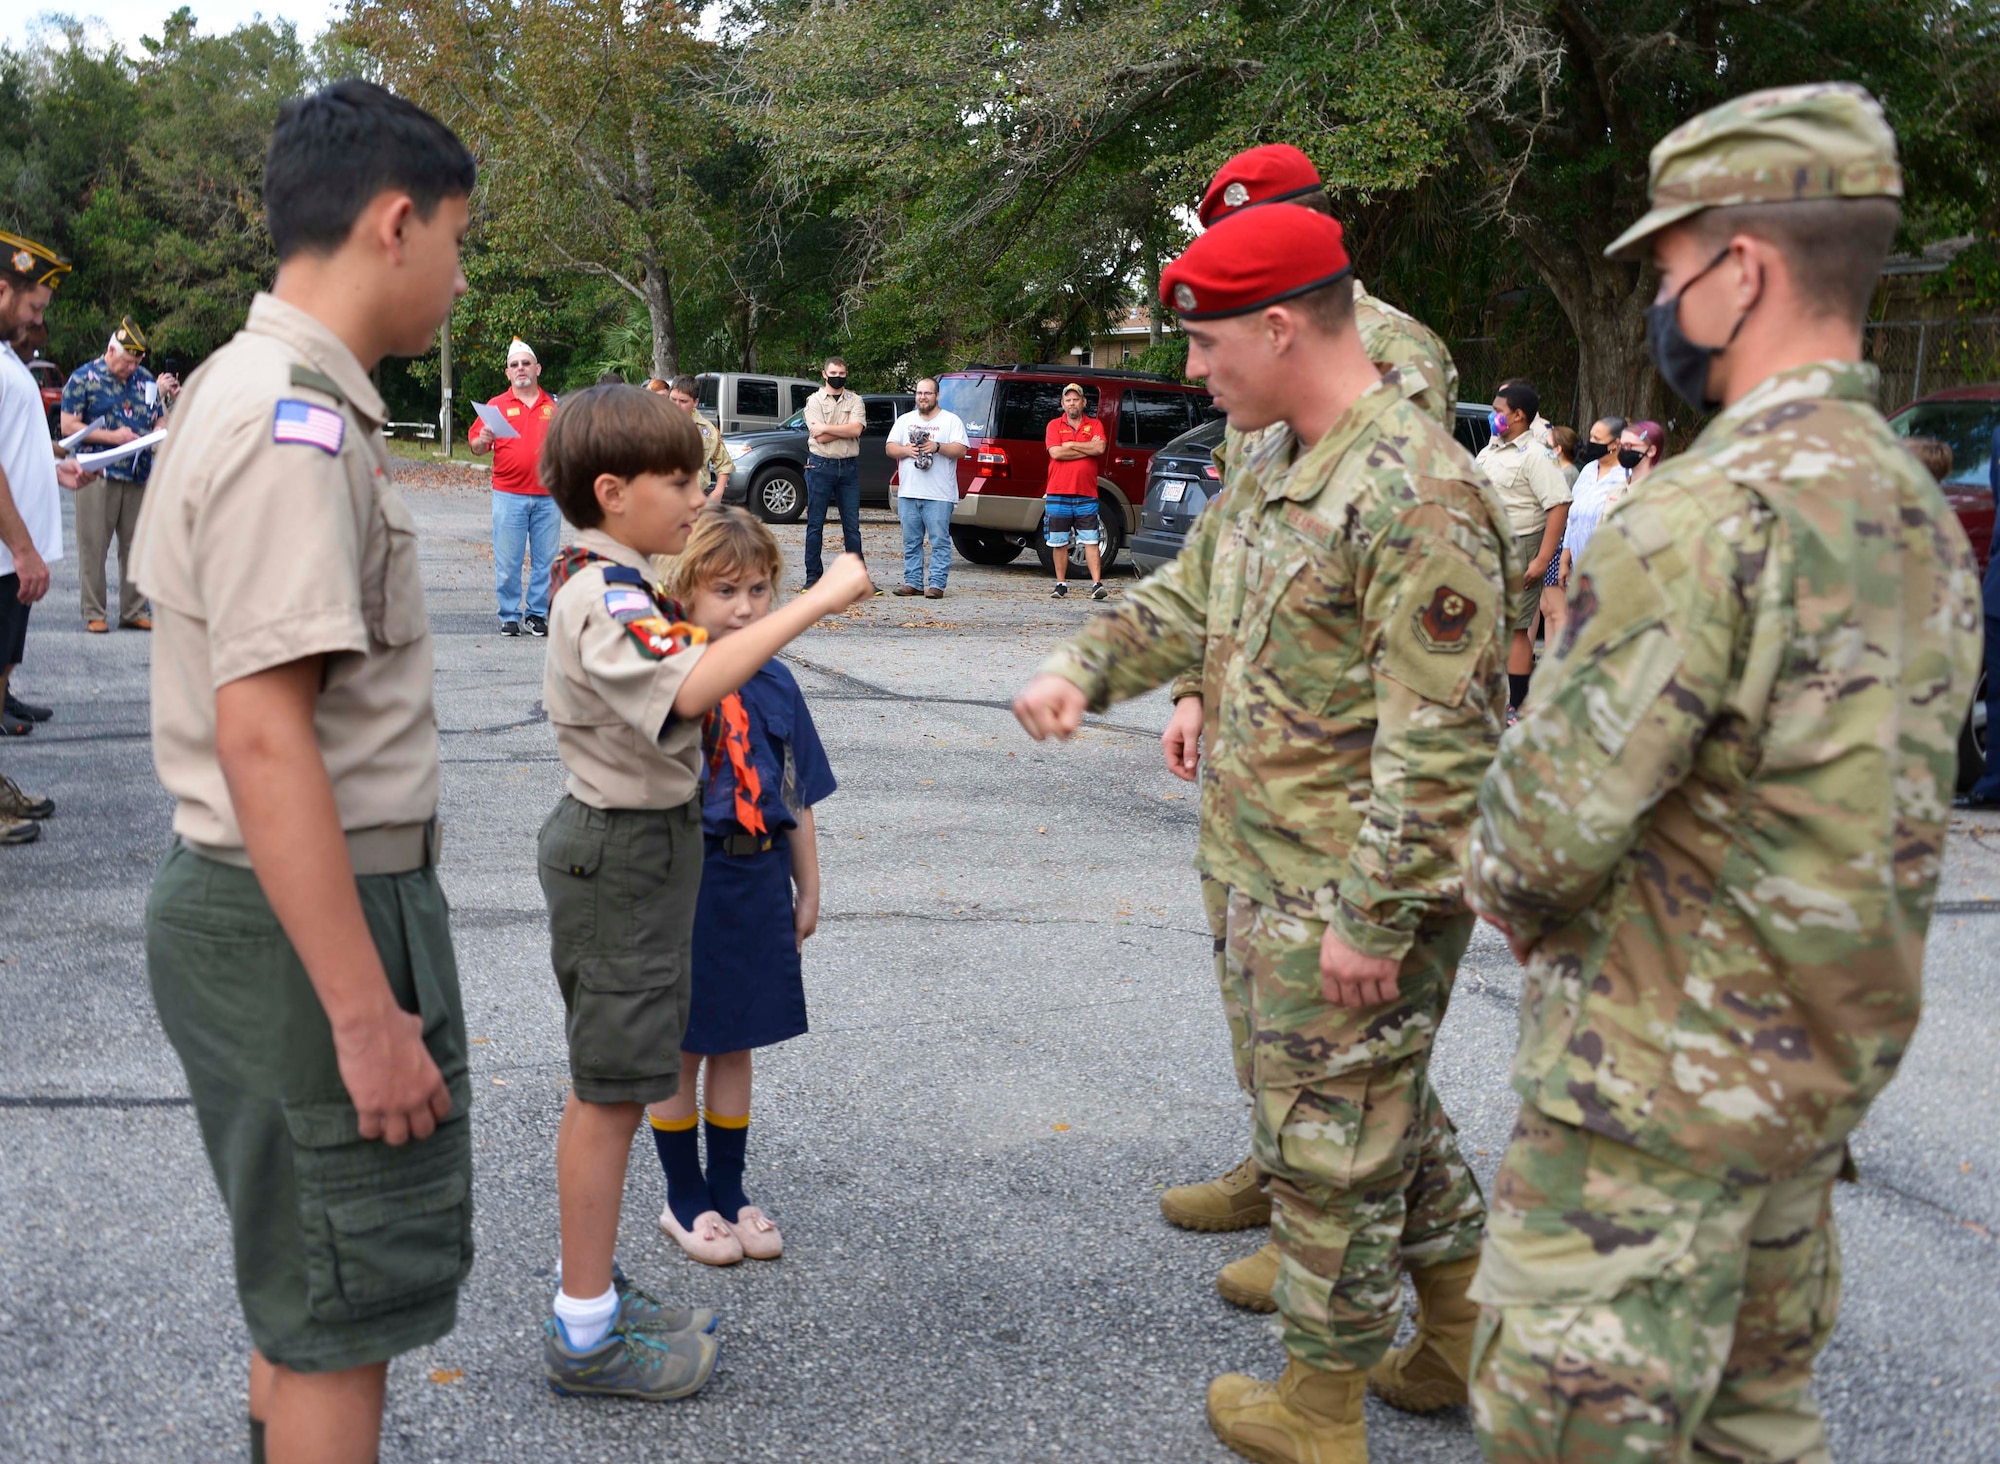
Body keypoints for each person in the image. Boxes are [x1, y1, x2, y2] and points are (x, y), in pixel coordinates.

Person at [1462, 82, 1982, 1464]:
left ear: (1740, 268)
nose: (1661, 301)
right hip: (1806, 1088)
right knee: (1754, 1426)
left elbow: (1538, 839)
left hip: (1651, 1104)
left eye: (1669, 269)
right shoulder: (1915, 511)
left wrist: (1510, 881)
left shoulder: (1702, 513)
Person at [1016, 202, 1510, 1464]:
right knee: (1375, 1106)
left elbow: (1443, 738)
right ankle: (1459, 1331)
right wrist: (1089, 666)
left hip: (1345, 886)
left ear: (1280, 327)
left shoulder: (1412, 489)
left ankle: (1318, 1408)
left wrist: (1374, 915)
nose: (1189, 370)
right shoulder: (1284, 457)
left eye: (1204, 344)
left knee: (1329, 1145)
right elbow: (1190, 593)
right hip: (1267, 858)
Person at [129, 80, 481, 1464]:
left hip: (267, 905)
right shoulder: (296, 425)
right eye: (456, 241)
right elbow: (266, 735)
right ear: (395, 223)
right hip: (305, 922)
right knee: (345, 1305)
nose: (459, 277)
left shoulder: (240, 379)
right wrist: (365, 1016)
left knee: (301, 1287)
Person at [1154, 143, 1469, 1307]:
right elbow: (1233, 540)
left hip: (1331, 761)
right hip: (1249, 734)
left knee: (1337, 1032)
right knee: (1254, 990)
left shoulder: (1391, 356)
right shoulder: (1244, 348)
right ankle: (1279, 1166)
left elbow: (1390, 577)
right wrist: (1189, 681)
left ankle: (1324, 1219)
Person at [535, 384, 870, 1400]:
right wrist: (816, 598)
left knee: (630, 1078)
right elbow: (689, 688)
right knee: (612, 1092)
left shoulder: (625, 579)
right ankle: (585, 1327)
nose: (697, 494)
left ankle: (590, 1292)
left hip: (651, 848)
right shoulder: (607, 594)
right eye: (679, 481)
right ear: (612, 490)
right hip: (623, 855)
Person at [642, 507, 836, 1266]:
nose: (748, 608)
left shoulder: (779, 682)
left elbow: (795, 795)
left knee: (738, 1040)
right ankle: (683, 1197)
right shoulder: (668, 674)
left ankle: (730, 1188)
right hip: (685, 876)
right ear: (684, 591)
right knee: (682, 1044)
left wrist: (808, 889)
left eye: (759, 589)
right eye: (726, 591)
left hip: (757, 875)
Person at [0, 229, 93, 838]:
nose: (37, 319)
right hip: (6, 552)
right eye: (33, 307)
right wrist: (24, 546)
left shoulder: (6, 354)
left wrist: (48, 467)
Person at [59, 316, 174, 633]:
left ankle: (134, 610)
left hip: (137, 473)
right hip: (97, 473)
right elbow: (69, 426)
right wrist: (114, 437)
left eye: (135, 362)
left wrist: (158, 433)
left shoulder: (146, 379)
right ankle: (95, 611)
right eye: (125, 362)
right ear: (111, 350)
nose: (130, 369)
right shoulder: (84, 378)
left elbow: (158, 419)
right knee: (94, 545)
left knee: (136, 545)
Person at [1473, 377, 1570, 716]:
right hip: (1488, 545)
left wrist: (1543, 558)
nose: (1493, 416)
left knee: (1515, 627)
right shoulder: (1490, 449)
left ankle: (1517, 703)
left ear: (1518, 415)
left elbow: (1558, 504)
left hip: (1520, 545)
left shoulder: (1537, 456)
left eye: (1498, 411)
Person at [468, 337, 559, 637]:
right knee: (509, 561)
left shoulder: (554, 407)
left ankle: (536, 615)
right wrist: (483, 440)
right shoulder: (495, 406)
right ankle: (509, 614)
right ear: (507, 373)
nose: (520, 369)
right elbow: (476, 447)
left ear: (538, 369)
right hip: (509, 495)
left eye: (526, 363)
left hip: (548, 497)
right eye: (514, 365)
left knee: (545, 561)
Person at [886, 376, 968, 598]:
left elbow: (961, 449)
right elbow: (890, 447)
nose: (922, 397)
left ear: (937, 396)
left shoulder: (951, 421)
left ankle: (937, 585)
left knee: (939, 541)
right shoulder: (905, 420)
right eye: (919, 393)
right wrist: (906, 451)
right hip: (909, 492)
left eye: (927, 393)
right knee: (911, 541)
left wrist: (937, 446)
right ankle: (912, 582)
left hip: (939, 494)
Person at [801, 357, 867, 589]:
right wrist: (844, 430)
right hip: (820, 466)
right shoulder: (814, 401)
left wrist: (828, 428)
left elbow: (856, 428)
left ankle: (857, 579)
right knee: (815, 524)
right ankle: (812, 578)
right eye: (833, 372)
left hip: (848, 467)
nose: (838, 376)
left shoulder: (856, 400)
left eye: (842, 372)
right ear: (824, 374)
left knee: (852, 526)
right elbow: (818, 437)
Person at [1043, 383, 1108, 600]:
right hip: (1058, 491)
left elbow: (1099, 448)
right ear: (1063, 404)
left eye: (1076, 399)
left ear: (1083, 402)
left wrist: (1070, 444)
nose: (1072, 403)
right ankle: (1061, 584)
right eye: (1068, 400)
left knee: (1091, 539)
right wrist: (1085, 447)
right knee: (1059, 541)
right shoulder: (1053, 425)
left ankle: (1096, 584)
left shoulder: (1095, 424)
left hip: (1086, 492)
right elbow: (1056, 454)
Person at [1557, 414, 1628, 595]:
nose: (1591, 442)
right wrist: (1565, 560)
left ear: (1615, 443)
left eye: (1597, 439)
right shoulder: (1588, 470)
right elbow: (1573, 518)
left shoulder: (1626, 476)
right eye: (1590, 437)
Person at [666, 374, 734, 504]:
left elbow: (724, 463)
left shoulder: (707, 430)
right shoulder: (655, 423)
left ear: (695, 402)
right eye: (673, 399)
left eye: (683, 401)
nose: (677, 405)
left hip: (694, 498)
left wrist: (718, 491)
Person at [1619, 417, 1665, 485]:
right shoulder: (1616, 490)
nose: (1622, 449)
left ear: (1651, 451)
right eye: (1620, 445)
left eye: (1628, 445)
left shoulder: (1662, 490)